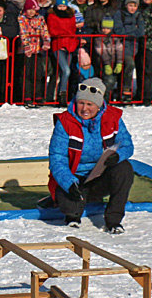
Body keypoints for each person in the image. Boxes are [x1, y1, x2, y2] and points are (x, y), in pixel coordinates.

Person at [46, 78, 135, 234]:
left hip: (99, 176)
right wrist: (68, 183)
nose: (85, 109)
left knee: (124, 169)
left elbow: (127, 145)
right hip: (75, 178)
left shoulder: (113, 118)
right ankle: (73, 211)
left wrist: (117, 156)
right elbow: (57, 158)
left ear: (99, 105)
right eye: (81, 103)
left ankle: (113, 220)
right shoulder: (65, 122)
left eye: (90, 105)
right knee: (70, 208)